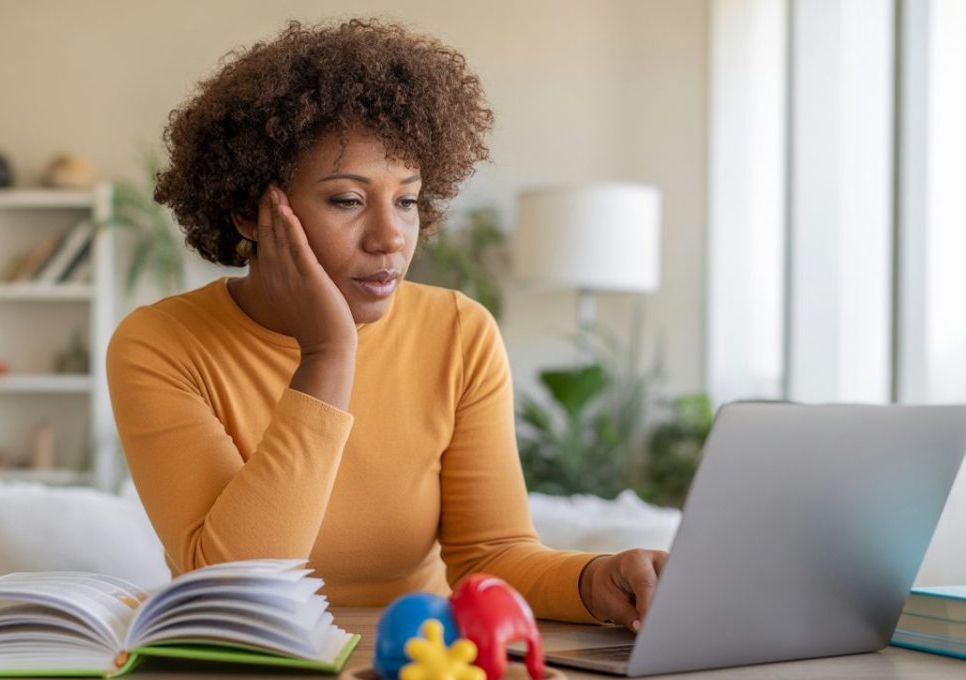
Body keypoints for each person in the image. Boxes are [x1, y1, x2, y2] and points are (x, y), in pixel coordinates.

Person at [107, 18, 667, 632]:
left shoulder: (458, 332)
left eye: (406, 200)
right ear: (248, 210)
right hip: (240, 671)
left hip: (416, 667)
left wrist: (595, 581)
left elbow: (491, 557)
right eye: (347, 200)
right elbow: (230, 587)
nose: (391, 238)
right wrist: (328, 354)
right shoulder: (161, 345)